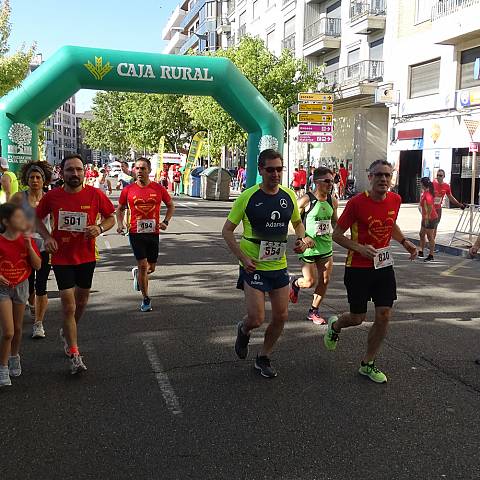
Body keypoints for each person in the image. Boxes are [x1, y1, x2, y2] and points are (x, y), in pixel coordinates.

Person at [222, 149, 314, 379]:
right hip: (253, 266)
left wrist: (302, 240)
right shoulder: (248, 196)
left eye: (279, 169)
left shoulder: (289, 195)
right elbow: (227, 231)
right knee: (256, 318)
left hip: (278, 265)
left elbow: (297, 223)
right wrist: (243, 258)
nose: (275, 174)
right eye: (270, 169)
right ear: (260, 170)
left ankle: (263, 356)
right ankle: (243, 330)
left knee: (281, 316)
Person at [324, 159, 417, 384]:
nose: (383, 179)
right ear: (370, 177)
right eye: (379, 175)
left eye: (387, 175)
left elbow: (389, 223)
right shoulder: (356, 203)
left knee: (384, 315)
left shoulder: (396, 199)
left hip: (383, 266)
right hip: (357, 267)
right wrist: (359, 248)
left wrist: (405, 242)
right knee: (357, 318)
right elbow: (336, 234)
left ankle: (368, 363)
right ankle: (335, 325)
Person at [36, 154, 115, 374]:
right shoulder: (52, 196)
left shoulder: (95, 194)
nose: (75, 174)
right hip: (61, 257)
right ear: (62, 173)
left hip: (87, 256)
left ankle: (68, 330)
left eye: (79, 170)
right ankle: (74, 352)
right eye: (70, 170)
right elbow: (36, 218)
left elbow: (111, 217)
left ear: (84, 172)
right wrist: (47, 237)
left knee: (81, 303)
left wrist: (99, 228)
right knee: (68, 306)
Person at [116, 158, 175, 312]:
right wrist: (120, 224)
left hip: (153, 233)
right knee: (143, 265)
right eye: (137, 168)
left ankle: (139, 275)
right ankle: (146, 298)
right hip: (135, 232)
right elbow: (120, 208)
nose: (140, 171)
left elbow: (170, 206)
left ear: (149, 170)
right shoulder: (128, 190)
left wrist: (166, 222)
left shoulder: (158, 188)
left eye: (143, 168)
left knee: (151, 267)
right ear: (134, 170)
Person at [289, 167, 338, 324]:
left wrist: (343, 234)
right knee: (309, 282)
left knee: (325, 280)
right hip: (308, 247)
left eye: (332, 181)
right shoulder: (306, 200)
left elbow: (335, 221)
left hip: (326, 246)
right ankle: (295, 283)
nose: (330, 184)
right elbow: (292, 221)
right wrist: (302, 238)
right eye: (327, 181)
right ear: (316, 182)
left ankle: (313, 311)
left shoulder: (332, 201)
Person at [0, 203, 41, 387]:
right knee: (8, 331)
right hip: (3, 289)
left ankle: (14, 356)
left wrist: (29, 246)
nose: (22, 221)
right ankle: (2, 367)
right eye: (18, 217)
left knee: (17, 328)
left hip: (22, 285)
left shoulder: (27, 239)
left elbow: (37, 265)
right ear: (6, 222)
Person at [11, 161, 53, 339]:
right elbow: (7, 220)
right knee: (27, 286)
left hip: (44, 247)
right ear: (26, 180)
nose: (35, 180)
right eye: (31, 177)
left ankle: (38, 324)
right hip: (23, 248)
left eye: (38, 177)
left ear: (44, 180)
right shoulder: (19, 198)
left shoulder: (50, 198)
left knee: (41, 285)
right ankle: (31, 303)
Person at [429, 169, 465, 251]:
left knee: (435, 226)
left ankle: (431, 245)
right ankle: (426, 246)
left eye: (440, 175)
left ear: (444, 177)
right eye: (437, 175)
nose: (438, 177)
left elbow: (450, 197)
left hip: (438, 209)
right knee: (429, 227)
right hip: (430, 208)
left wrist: (459, 205)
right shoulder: (432, 184)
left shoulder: (446, 186)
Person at [418, 177, 439, 263]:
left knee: (430, 237)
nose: (420, 184)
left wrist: (427, 217)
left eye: (420, 183)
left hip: (430, 218)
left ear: (423, 184)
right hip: (425, 217)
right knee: (421, 234)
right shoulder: (425, 193)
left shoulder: (427, 194)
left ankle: (431, 255)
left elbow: (430, 206)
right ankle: (421, 251)